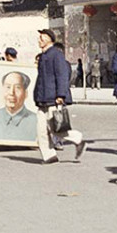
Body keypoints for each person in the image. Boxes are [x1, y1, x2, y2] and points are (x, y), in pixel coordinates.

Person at [33, 29, 86, 163]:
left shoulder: (56, 55)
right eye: (39, 37)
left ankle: (78, 139)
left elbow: (61, 75)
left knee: (56, 129)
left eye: (42, 37)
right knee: (41, 131)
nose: (40, 40)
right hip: (42, 99)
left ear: (50, 39)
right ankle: (49, 155)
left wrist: (61, 95)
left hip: (53, 98)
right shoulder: (42, 57)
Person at [0, 71, 37, 141]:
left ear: (26, 93)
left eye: (17, 87)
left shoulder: (36, 121)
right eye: (8, 87)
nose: (11, 92)